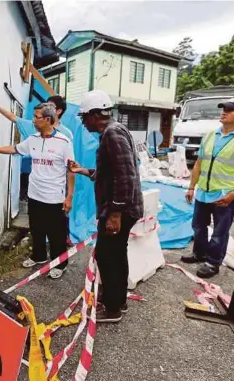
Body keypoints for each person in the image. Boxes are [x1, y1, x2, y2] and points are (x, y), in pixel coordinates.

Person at [68, 90, 143, 323]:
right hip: (120, 207)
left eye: (84, 117)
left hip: (118, 209)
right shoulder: (113, 131)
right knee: (117, 254)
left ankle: (112, 309)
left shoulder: (112, 134)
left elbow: (126, 176)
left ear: (94, 114)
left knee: (108, 256)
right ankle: (118, 299)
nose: (82, 122)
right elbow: (111, 172)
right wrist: (85, 171)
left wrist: (115, 214)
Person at [0, 103, 75, 279]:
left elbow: (71, 170)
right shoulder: (33, 139)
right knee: (37, 229)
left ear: (47, 119)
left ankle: (60, 264)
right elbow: (14, 149)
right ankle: (38, 256)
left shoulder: (64, 142)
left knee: (56, 234)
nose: (33, 120)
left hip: (54, 198)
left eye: (36, 117)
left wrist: (69, 197)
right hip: (34, 195)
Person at [182, 97, 234, 278]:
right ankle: (199, 253)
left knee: (219, 232)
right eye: (223, 108)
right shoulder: (210, 135)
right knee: (198, 227)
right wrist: (192, 187)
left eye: (230, 109)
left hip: (225, 195)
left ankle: (212, 262)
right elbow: (198, 164)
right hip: (203, 192)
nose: (224, 112)